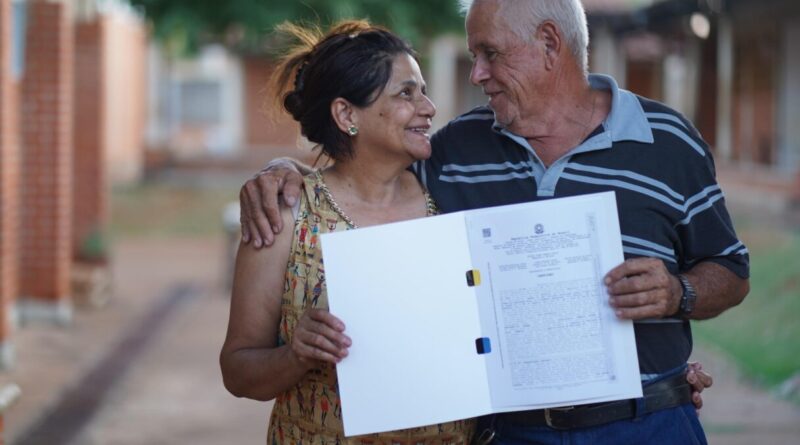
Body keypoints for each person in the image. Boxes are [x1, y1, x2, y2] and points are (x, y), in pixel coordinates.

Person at [238, 1, 739, 444]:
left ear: (549, 43)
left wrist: (679, 293)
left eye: (489, 53)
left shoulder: (667, 139)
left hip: (648, 423)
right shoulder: (453, 152)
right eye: (473, 55)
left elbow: (731, 270)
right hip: (510, 432)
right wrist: (285, 172)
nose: (476, 74)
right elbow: (363, 177)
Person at [219, 20, 476, 444]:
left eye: (423, 91)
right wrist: (295, 355)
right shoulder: (284, 218)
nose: (429, 107)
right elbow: (237, 371)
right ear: (346, 114)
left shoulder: (449, 198)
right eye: (406, 94)